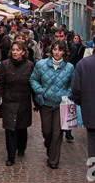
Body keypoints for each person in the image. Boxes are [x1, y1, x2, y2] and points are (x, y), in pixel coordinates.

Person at [30, 40, 75, 169]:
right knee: (47, 132)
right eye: (55, 49)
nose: (57, 52)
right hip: (46, 104)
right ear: (51, 50)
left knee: (57, 132)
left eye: (60, 50)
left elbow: (73, 84)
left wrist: (66, 94)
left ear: (64, 52)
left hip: (61, 105)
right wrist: (40, 90)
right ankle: (50, 147)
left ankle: (53, 160)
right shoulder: (41, 65)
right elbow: (33, 79)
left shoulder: (69, 67)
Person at [0, 41, 34, 166]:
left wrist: (37, 101)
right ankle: (11, 156)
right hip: (9, 101)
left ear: (23, 52)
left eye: (18, 50)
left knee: (22, 127)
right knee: (10, 129)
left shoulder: (30, 65)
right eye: (13, 49)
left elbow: (33, 84)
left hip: (24, 101)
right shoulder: (5, 65)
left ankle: (21, 148)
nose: (15, 52)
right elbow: (0, 83)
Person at [71, 37, 95, 173]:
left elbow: (76, 88)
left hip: (90, 110)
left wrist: (80, 102)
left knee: (92, 140)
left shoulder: (83, 64)